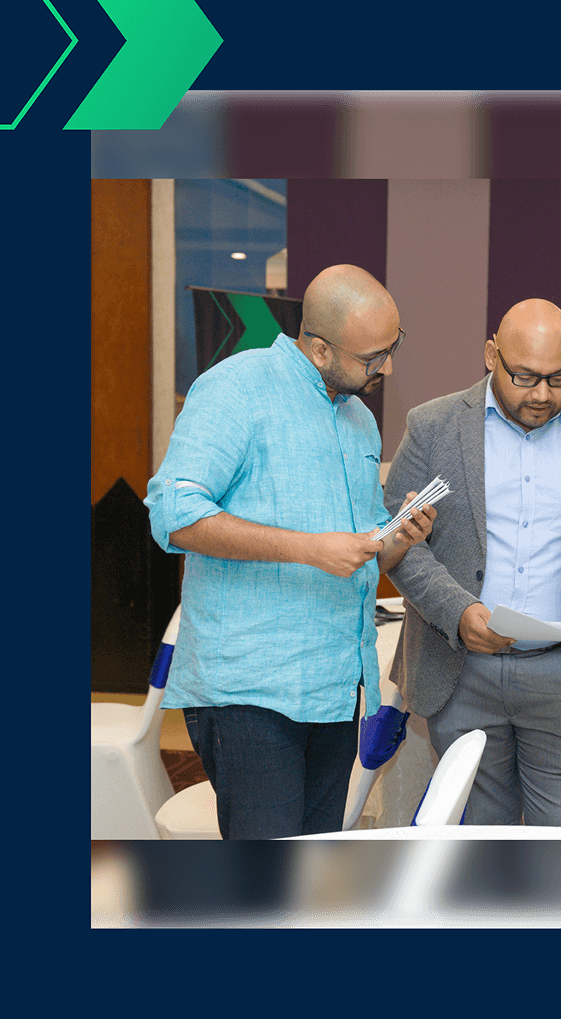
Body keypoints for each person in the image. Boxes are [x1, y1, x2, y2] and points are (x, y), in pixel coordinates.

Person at [144, 264, 436, 839]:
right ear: (320, 347)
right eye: (374, 357)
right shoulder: (236, 387)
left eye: (392, 347)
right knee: (264, 891)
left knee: (311, 874)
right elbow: (173, 513)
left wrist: (398, 535)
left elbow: (363, 547)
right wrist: (307, 550)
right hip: (250, 688)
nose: (389, 368)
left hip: (333, 684)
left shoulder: (357, 420)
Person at [384, 299, 561, 827]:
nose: (542, 395)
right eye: (525, 376)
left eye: (560, 378)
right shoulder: (433, 426)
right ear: (491, 355)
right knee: (482, 858)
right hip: (460, 672)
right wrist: (459, 612)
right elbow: (401, 542)